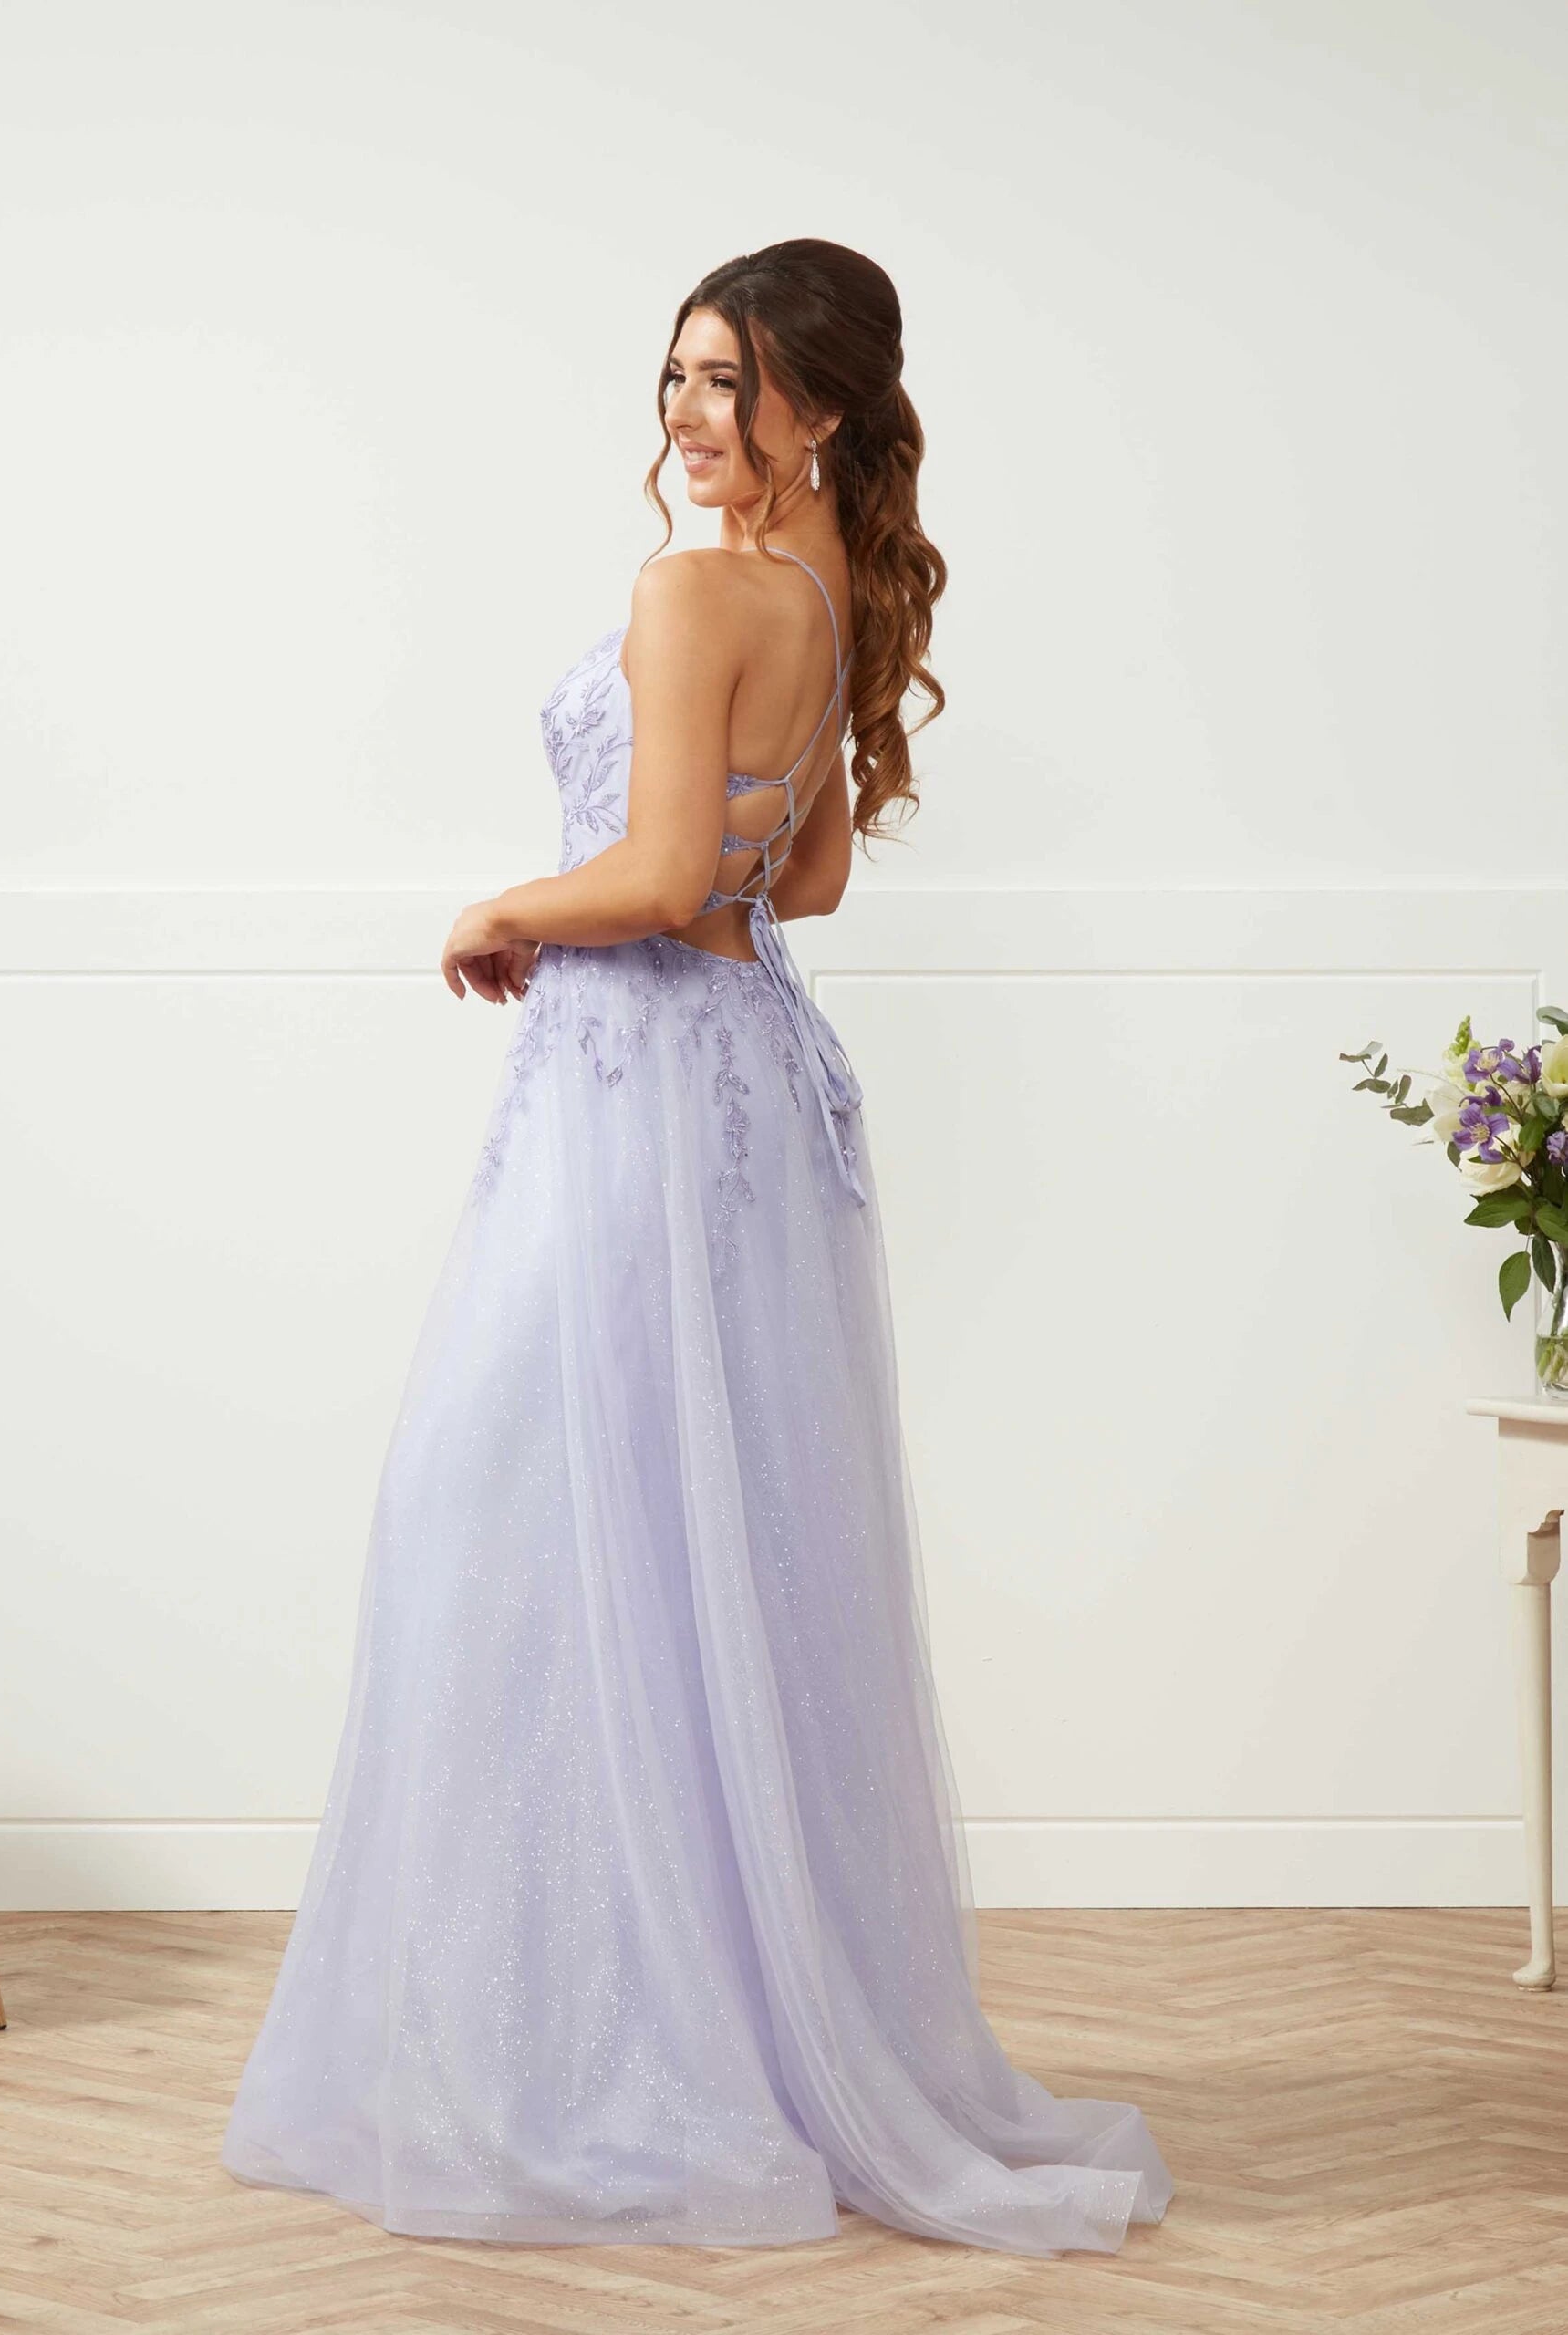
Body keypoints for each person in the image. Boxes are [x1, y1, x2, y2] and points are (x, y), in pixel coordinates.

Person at [220, 238, 1174, 2257]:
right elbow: (795, 869)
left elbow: (661, 877)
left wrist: (502, 903)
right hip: (752, 1090)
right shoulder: (828, 595)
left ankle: (590, 2054)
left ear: (812, 408)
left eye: (725, 383)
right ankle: (708, 2024)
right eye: (676, 376)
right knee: (716, 1560)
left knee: (532, 1536)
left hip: (636, 1098)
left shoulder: (687, 588)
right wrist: (673, 866)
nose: (685, 414)